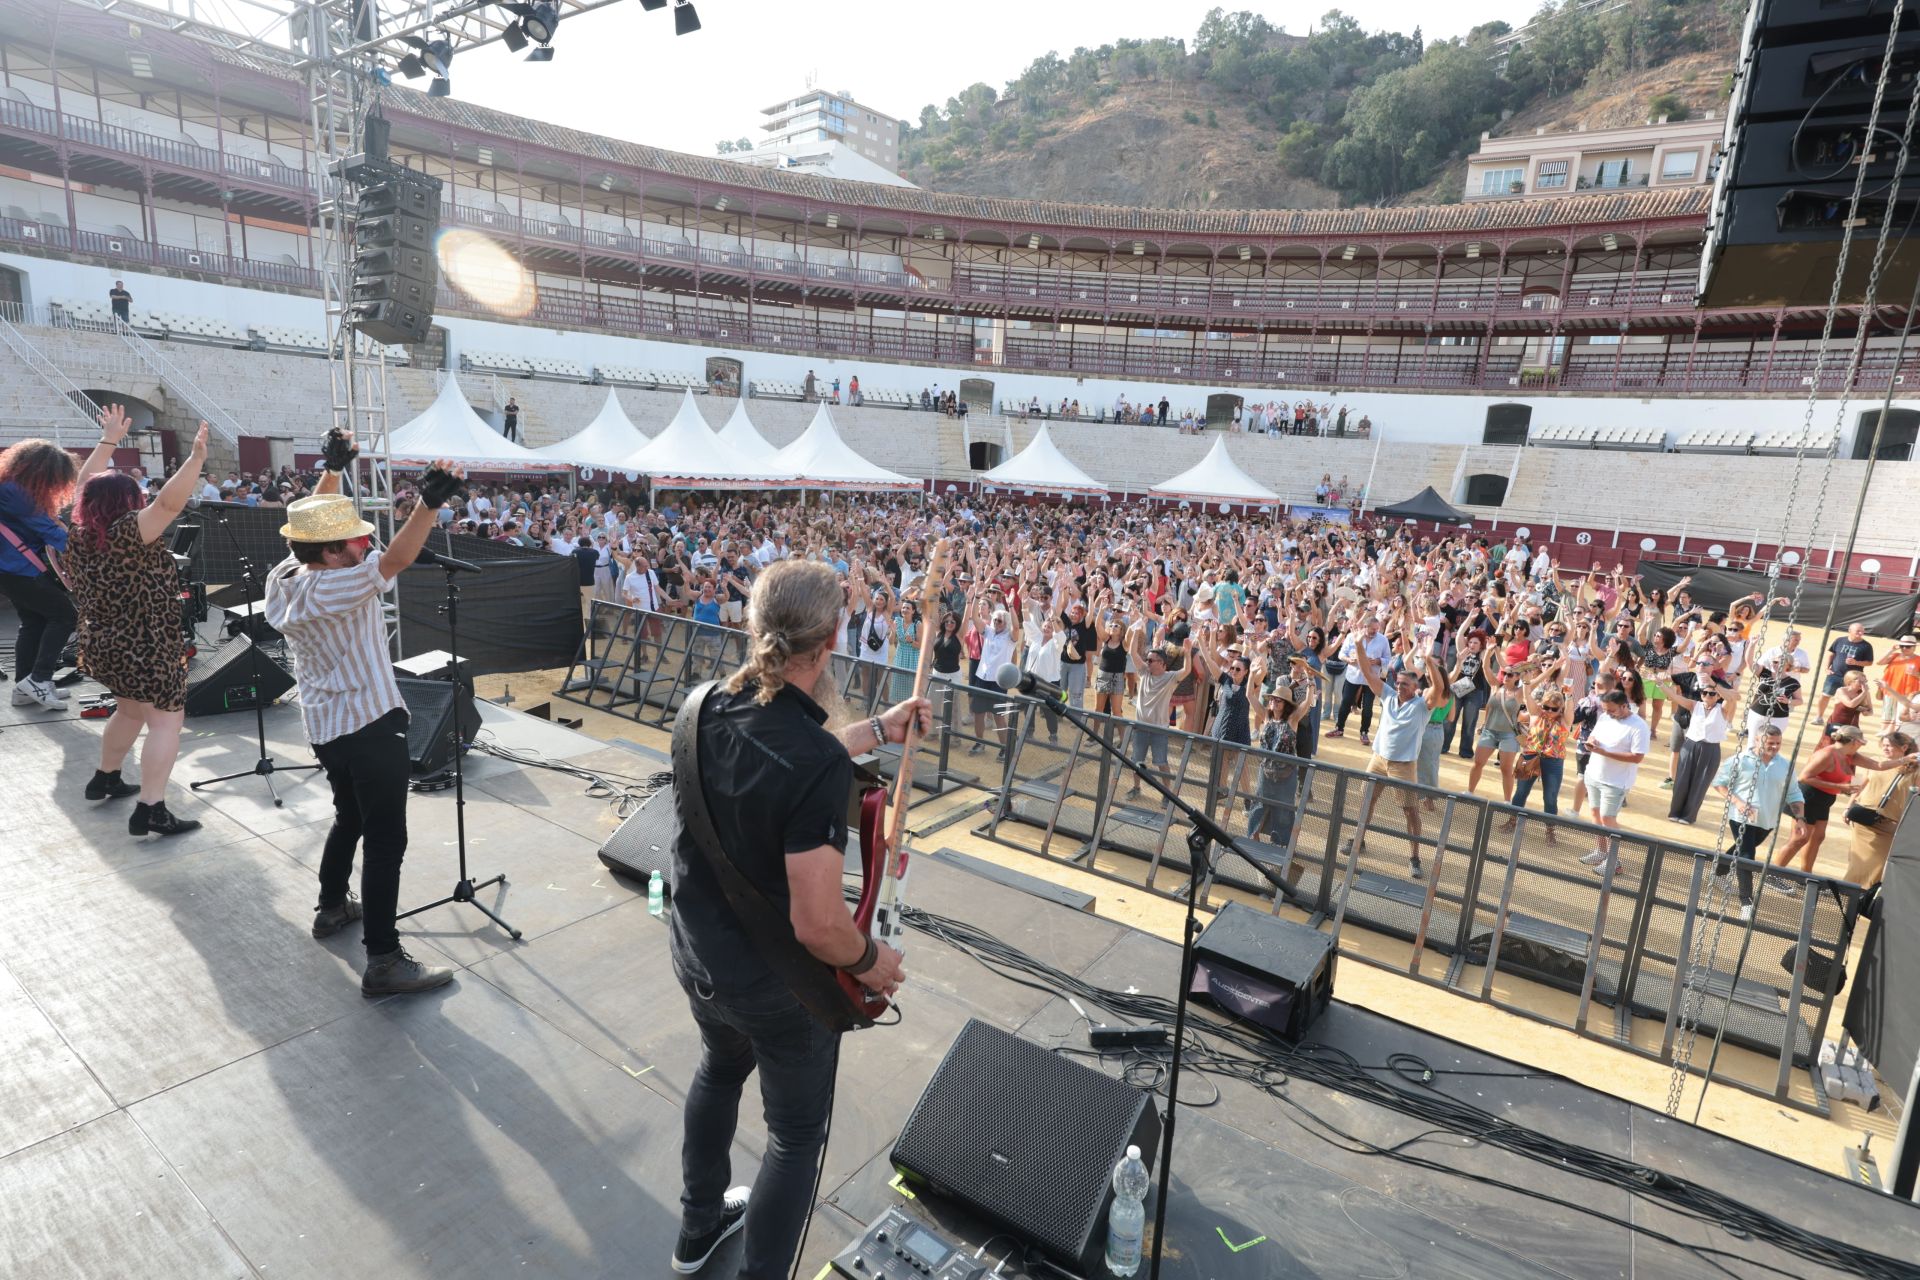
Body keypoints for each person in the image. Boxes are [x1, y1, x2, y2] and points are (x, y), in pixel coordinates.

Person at [667, 560, 921, 1279]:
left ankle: (696, 1228)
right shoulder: (811, 761)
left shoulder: (703, 707)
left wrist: (878, 730)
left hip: (697, 954)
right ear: (832, 639)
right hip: (775, 987)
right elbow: (818, 926)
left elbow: (784, 759)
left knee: (719, 1070)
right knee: (795, 1136)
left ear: (755, 625)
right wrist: (871, 961)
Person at [263, 428, 461, 997]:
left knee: (348, 817)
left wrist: (332, 470)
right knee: (385, 842)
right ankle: (384, 960)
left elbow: (314, 525)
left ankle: (331, 907)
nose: (365, 543)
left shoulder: (287, 578)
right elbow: (397, 558)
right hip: (371, 727)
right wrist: (428, 503)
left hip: (327, 729)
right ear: (332, 554)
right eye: (355, 540)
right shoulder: (337, 588)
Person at [63, 422, 212, 835]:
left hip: (103, 643)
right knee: (165, 722)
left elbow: (83, 483)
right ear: (129, 501)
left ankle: (106, 776)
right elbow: (169, 504)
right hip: (146, 646)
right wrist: (195, 459)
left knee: (129, 710)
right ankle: (151, 808)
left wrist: (108, 441)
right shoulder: (130, 531)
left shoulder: (79, 533)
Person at [1348, 633, 1448, 877]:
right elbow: (1367, 672)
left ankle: (1414, 857)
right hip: (1378, 759)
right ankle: (1358, 839)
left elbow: (1439, 688)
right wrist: (1359, 644)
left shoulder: (1422, 705)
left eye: (1404, 684)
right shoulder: (1388, 695)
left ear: (1416, 688)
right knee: (1366, 800)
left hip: (1404, 765)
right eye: (1398, 682)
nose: (1399, 686)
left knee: (1410, 811)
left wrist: (1428, 660)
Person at [1712, 727, 1805, 920]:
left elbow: (1794, 793)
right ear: (1757, 740)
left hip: (1767, 820)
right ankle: (1746, 901)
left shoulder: (1785, 765)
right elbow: (1720, 784)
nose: (1775, 747)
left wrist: (1800, 818)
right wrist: (1738, 802)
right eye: (1770, 743)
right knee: (1747, 854)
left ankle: (1717, 873)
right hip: (1740, 817)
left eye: (1778, 743)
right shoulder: (1739, 760)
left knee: (1741, 849)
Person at [1579, 688, 1649, 873]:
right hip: (1594, 774)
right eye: (1605, 709)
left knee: (1607, 818)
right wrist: (1592, 741)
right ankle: (1601, 852)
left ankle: (1614, 861)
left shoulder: (1639, 726)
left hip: (1616, 782)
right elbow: (1594, 734)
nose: (1608, 713)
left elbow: (1637, 757)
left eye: (1611, 710)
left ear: (1624, 706)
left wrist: (1604, 752)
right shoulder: (1604, 717)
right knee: (1595, 814)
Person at [1843, 729, 1918, 888]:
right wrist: (1848, 806)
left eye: (1889, 745)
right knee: (1857, 861)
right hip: (1863, 819)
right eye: (1883, 745)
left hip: (1889, 825)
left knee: (1876, 865)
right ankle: (1847, 891)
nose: (1885, 748)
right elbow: (1858, 785)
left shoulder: (1915, 770)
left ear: (1904, 748)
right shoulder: (1874, 762)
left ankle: (1861, 895)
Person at [1665, 672, 1733, 825]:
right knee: (1681, 779)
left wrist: (1714, 685)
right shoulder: (1695, 705)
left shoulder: (1722, 709)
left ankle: (1688, 816)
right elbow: (1675, 697)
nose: (1708, 695)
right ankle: (1675, 812)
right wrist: (1660, 684)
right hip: (1690, 745)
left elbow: (1730, 698)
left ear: (1718, 696)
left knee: (1700, 783)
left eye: (1712, 694)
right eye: (1705, 693)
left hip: (1710, 749)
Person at [1816, 623, 1873, 721]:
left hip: (1853, 680)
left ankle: (1842, 719)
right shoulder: (1840, 640)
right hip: (1835, 674)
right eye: (1858, 631)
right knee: (1825, 695)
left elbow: (1869, 662)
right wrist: (1826, 668)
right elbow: (1831, 654)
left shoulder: (1866, 646)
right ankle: (1819, 717)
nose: (1861, 633)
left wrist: (1856, 662)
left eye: (1862, 631)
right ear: (1850, 631)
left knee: (1850, 699)